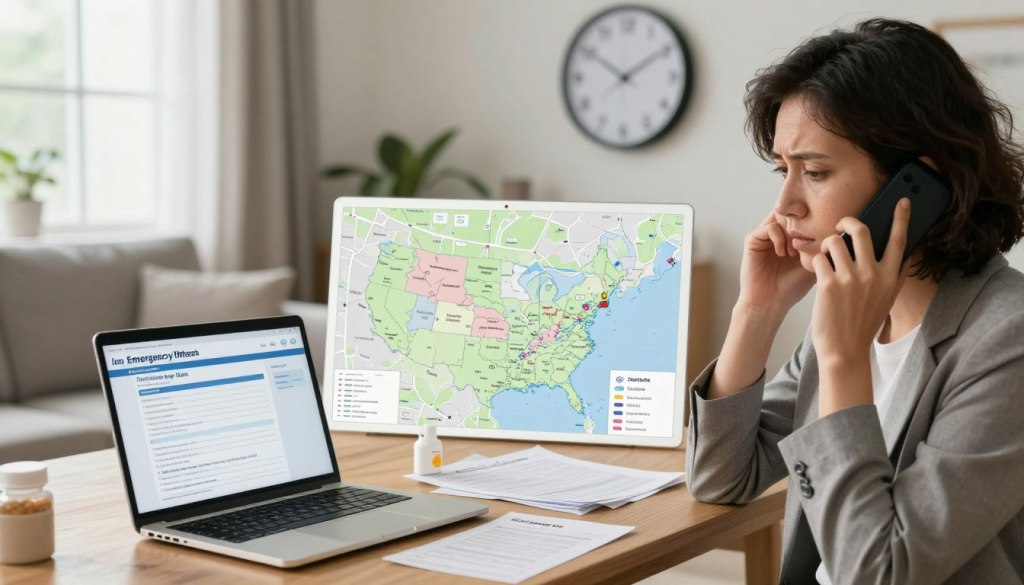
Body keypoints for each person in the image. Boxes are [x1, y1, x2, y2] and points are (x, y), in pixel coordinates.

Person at [685, 18, 1024, 585]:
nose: (785, 204)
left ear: (914, 187)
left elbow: (878, 572)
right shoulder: (857, 315)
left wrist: (842, 356)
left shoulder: (1005, 340)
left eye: (814, 172)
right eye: (782, 169)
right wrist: (757, 312)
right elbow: (722, 477)